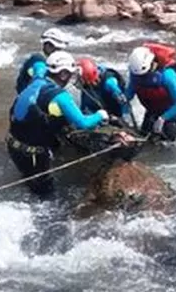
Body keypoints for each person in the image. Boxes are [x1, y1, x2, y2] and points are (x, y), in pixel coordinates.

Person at [7, 51, 110, 199]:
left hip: (13, 145)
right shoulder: (60, 97)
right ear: (62, 74)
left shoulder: (37, 80)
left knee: (29, 181)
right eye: (69, 73)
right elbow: (83, 123)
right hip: (33, 154)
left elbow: (36, 60)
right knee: (45, 195)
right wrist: (100, 115)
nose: (71, 77)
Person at [124, 43, 176, 142]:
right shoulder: (136, 74)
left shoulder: (167, 76)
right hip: (151, 111)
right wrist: (124, 111)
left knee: (167, 144)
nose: (141, 78)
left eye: (144, 74)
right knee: (143, 139)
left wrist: (163, 118)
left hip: (170, 113)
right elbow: (128, 94)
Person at [77, 58, 134, 126]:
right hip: (102, 116)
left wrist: (124, 120)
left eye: (81, 79)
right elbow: (85, 109)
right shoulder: (87, 87)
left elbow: (123, 102)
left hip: (117, 115)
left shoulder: (110, 82)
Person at [15, 28, 68, 94]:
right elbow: (38, 82)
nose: (60, 53)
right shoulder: (38, 61)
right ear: (48, 46)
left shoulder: (47, 61)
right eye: (58, 49)